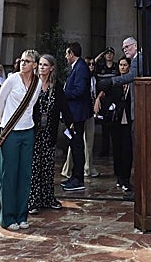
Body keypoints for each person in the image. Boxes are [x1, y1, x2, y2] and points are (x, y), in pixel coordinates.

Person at [0, 49, 38, 231]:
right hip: (11, 132)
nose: (23, 63)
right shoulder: (12, 79)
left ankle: (22, 215)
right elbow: (0, 101)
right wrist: (5, 123)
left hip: (28, 130)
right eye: (22, 60)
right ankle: (8, 217)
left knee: (25, 174)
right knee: (8, 175)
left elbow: (32, 105)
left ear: (34, 65)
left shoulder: (37, 82)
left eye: (27, 61)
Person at [28, 53, 73, 213]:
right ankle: (33, 200)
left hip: (49, 131)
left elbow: (64, 106)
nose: (41, 67)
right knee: (34, 165)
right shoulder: (32, 83)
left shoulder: (57, 85)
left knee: (47, 166)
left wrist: (71, 124)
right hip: (33, 130)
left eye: (45, 65)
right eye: (40, 64)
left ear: (52, 68)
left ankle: (47, 198)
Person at [97, 54, 135, 192]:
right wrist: (98, 100)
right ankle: (119, 176)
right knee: (117, 149)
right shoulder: (115, 81)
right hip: (115, 119)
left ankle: (126, 178)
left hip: (128, 119)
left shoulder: (132, 81)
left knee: (127, 149)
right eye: (121, 65)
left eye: (125, 65)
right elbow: (103, 91)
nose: (123, 67)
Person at [61, 41, 91, 192]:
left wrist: (63, 95)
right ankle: (74, 176)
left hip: (77, 114)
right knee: (74, 145)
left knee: (77, 145)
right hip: (73, 113)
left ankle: (78, 178)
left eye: (67, 54)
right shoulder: (76, 68)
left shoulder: (81, 68)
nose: (66, 57)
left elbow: (79, 90)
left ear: (72, 54)